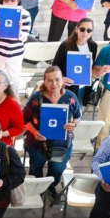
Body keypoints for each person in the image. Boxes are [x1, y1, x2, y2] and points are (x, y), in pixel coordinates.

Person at [23, 66, 82, 201]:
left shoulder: (70, 97)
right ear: (44, 81)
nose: (54, 84)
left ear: (63, 80)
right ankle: (37, 187)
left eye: (57, 79)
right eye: (49, 80)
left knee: (57, 170)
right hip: (37, 144)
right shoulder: (37, 97)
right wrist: (34, 131)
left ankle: (51, 186)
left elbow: (79, 116)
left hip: (62, 145)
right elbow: (24, 118)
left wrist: (74, 124)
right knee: (35, 168)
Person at [0, 0, 32, 90]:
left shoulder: (25, 15)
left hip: (15, 55)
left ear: (18, 1)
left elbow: (25, 37)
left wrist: (19, 30)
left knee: (14, 80)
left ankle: (13, 102)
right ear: (2, 1)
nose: (9, 2)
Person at [51, 17, 100, 104]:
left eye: (89, 30)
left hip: (82, 88)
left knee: (77, 115)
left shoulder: (93, 46)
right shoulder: (66, 45)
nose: (85, 33)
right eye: (82, 29)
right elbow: (55, 66)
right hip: (67, 88)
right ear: (77, 29)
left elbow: (90, 67)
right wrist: (61, 78)